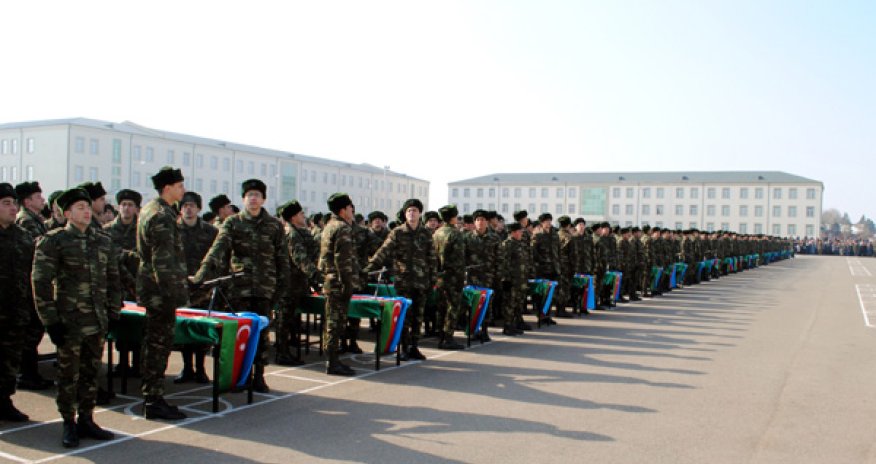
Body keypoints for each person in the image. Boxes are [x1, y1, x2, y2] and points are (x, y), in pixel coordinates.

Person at [32, 188, 121, 447]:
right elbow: (40, 282)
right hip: (69, 322)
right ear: (66, 213)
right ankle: (68, 422)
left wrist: (113, 313)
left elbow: (113, 279)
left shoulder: (102, 240)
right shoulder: (53, 241)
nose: (85, 211)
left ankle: (87, 418)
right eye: (78, 207)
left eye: (86, 206)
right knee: (68, 375)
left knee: (91, 373)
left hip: (97, 320)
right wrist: (50, 320)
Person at [192, 179, 290, 393]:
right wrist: (201, 275)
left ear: (263, 199)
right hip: (238, 289)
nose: (253, 198)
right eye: (249, 195)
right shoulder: (233, 223)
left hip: (265, 289)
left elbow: (282, 259)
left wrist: (281, 290)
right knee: (237, 334)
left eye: (257, 194)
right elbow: (217, 250)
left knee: (261, 333)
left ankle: (259, 376)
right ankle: (239, 376)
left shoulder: (274, 225)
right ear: (243, 199)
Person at [137, 167, 189, 420]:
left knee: (154, 343)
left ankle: (152, 395)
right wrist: (173, 294)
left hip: (154, 289)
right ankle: (153, 399)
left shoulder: (153, 210)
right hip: (160, 292)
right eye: (180, 186)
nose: (183, 190)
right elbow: (162, 261)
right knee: (158, 345)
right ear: (167, 188)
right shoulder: (160, 215)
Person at [363, 199, 437, 361]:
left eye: (415, 210)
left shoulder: (425, 233)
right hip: (403, 282)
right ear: (405, 214)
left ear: (419, 213)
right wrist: (368, 269)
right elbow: (383, 252)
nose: (412, 213)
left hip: (422, 281)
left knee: (418, 316)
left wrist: (433, 278)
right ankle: (404, 347)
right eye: (409, 210)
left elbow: (432, 257)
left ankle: (414, 346)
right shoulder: (397, 232)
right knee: (405, 316)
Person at [12, 181, 54, 391]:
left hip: (30, 283)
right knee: (30, 333)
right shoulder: (26, 220)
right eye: (38, 197)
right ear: (27, 201)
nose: (42, 200)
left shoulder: (35, 219)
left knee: (34, 332)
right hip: (26, 285)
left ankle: (29, 373)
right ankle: (27, 374)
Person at [175, 191, 217, 383]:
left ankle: (200, 368)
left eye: (192, 205)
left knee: (200, 329)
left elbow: (217, 259)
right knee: (185, 330)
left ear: (199, 208)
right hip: (181, 288)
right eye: (185, 206)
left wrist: (208, 280)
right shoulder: (173, 230)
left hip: (203, 288)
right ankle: (186, 368)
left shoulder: (210, 231)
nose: (188, 209)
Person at [0, 184, 34, 421]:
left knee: (10, 361)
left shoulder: (22, 236)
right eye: (6, 203)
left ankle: (4, 401)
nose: (13, 208)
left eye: (14, 203)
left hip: (16, 312)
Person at [317, 193, 358, 376]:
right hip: (338, 282)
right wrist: (346, 283)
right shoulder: (342, 228)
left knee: (331, 321)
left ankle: (332, 359)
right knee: (336, 322)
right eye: (350, 208)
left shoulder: (328, 226)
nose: (352, 211)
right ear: (343, 210)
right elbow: (342, 259)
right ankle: (332, 362)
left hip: (329, 279)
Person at [277, 199, 318, 366]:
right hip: (289, 284)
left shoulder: (299, 232)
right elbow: (300, 259)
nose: (304, 216)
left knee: (289, 319)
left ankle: (285, 350)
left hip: (296, 284)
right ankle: (282, 353)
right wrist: (317, 276)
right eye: (301, 214)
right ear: (293, 217)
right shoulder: (291, 234)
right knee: (284, 320)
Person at [432, 205, 466, 350]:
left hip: (439, 276)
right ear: (453, 217)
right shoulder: (455, 233)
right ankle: (448, 337)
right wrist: (461, 277)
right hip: (452, 276)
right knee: (452, 307)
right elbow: (459, 259)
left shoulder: (437, 233)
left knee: (441, 307)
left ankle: (441, 335)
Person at [498, 223, 528, 335]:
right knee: (509, 304)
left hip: (520, 280)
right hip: (511, 280)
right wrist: (505, 279)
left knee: (518, 303)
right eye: (520, 231)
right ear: (513, 232)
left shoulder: (520, 244)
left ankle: (514, 324)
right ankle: (507, 326)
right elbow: (503, 263)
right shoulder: (507, 244)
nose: (521, 233)